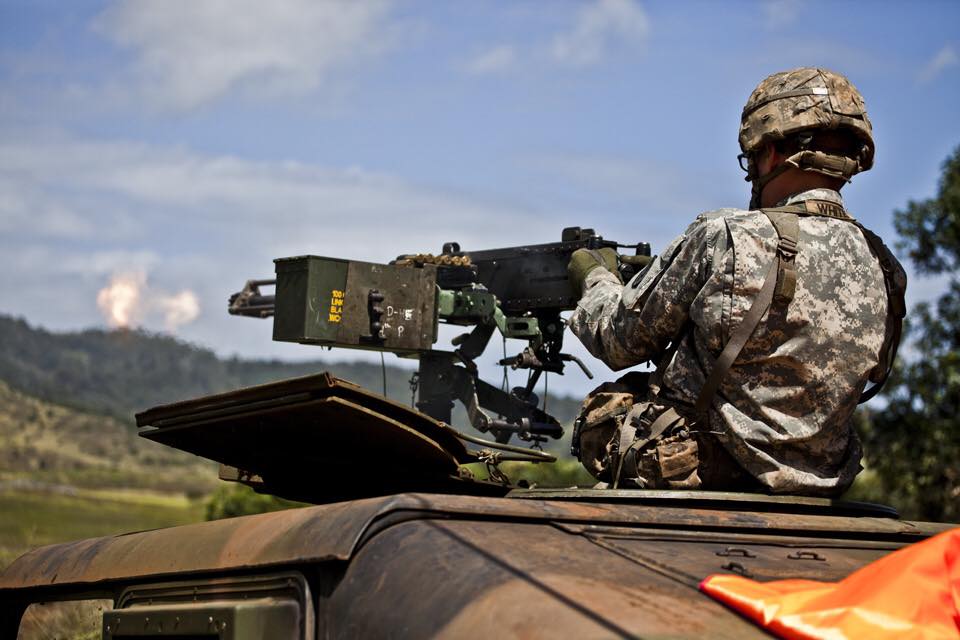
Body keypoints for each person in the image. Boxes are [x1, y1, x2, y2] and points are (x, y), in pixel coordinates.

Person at [566, 67, 905, 496]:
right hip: (822, 482)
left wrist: (594, 276)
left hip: (704, 468)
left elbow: (619, 340)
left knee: (605, 415)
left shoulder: (727, 236)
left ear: (773, 152)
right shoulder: (883, 264)